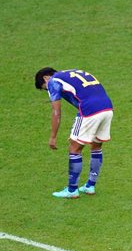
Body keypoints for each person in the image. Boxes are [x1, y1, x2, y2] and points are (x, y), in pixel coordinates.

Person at [34, 67, 114, 198]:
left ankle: (72, 190)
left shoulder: (53, 81)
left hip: (89, 110)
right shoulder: (73, 73)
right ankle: (90, 186)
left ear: (46, 78)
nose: (49, 90)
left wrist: (53, 137)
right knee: (96, 146)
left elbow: (56, 112)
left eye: (45, 88)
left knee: (74, 147)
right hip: (107, 107)